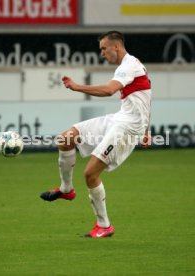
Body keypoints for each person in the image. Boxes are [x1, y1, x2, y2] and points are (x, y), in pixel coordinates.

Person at [40, 30, 152, 238]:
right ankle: (66, 189)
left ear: (116, 46)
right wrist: (147, 128)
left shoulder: (129, 65)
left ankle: (104, 225)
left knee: (90, 173)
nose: (101, 53)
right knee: (66, 138)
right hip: (120, 118)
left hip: (127, 128)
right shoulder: (132, 66)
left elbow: (109, 90)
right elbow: (146, 96)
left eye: (103, 48)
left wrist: (76, 87)